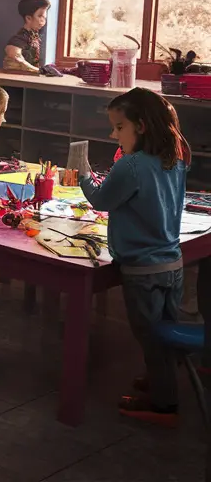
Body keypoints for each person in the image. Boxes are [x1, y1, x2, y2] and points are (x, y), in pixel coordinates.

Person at [80, 88, 190, 426]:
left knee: (150, 335)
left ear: (140, 126)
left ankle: (163, 404)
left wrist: (83, 174)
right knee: (165, 330)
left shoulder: (131, 165)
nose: (114, 135)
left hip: (142, 269)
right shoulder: (175, 157)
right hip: (172, 262)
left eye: (119, 127)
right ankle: (163, 380)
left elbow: (100, 200)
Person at [4, 0, 50, 74]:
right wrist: (39, 71)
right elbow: (16, 58)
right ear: (28, 18)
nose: (43, 20)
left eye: (44, 17)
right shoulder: (18, 39)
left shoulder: (35, 36)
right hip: (18, 80)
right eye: (39, 16)